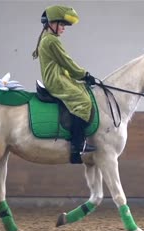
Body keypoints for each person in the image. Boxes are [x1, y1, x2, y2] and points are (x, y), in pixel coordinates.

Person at [32, 5, 97, 157]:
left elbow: (62, 64)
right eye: (61, 24)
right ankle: (77, 144)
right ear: (51, 24)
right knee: (84, 102)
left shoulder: (47, 39)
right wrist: (84, 75)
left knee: (83, 90)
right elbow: (67, 62)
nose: (63, 28)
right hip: (56, 81)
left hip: (60, 77)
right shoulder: (51, 41)